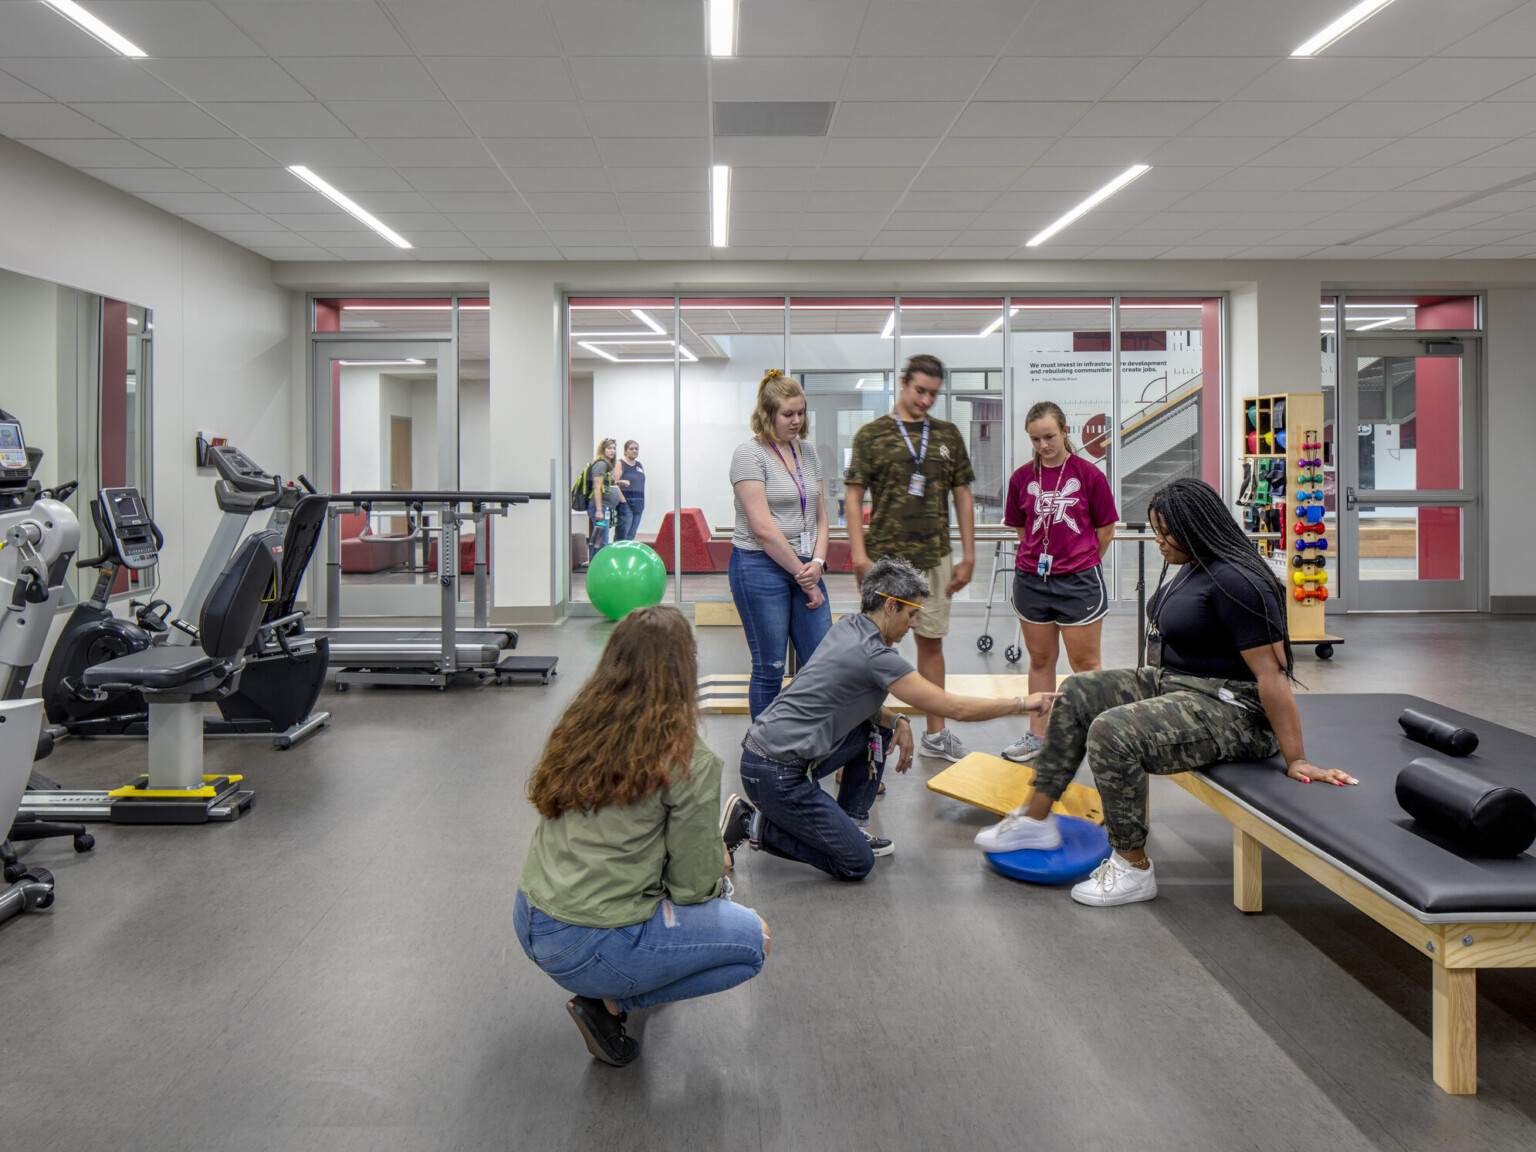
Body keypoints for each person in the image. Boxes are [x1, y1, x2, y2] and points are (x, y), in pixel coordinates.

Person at [973, 478, 1356, 907]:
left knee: (1111, 731)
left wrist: (1297, 758)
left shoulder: (1240, 581)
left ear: (1195, 527)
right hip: (1176, 684)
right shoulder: (1195, 565)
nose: (1158, 541)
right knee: (1077, 690)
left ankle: (1132, 867)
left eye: (1165, 532)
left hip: (1233, 709)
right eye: (1155, 531)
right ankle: (1035, 818)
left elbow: (1272, 675)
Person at [515, 606, 769, 1067]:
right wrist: (718, 872)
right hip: (588, 942)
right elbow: (692, 889)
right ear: (686, 669)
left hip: (531, 916)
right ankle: (610, 1003)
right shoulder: (688, 757)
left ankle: (620, 981)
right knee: (754, 942)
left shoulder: (579, 725)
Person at [721, 558, 1059, 882]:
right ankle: (752, 824)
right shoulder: (876, 657)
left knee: (877, 729)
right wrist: (1023, 703)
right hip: (775, 774)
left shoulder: (849, 626)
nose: (914, 624)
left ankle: (848, 823)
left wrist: (898, 718)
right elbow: (955, 708)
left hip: (765, 756)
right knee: (855, 863)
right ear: (890, 606)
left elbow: (855, 703)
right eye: (911, 614)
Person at [844, 354, 977, 763]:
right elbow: (852, 495)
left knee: (931, 643)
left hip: (933, 557)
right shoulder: (872, 435)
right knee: (872, 649)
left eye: (934, 394)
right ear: (903, 383)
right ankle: (862, 741)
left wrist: (968, 554)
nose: (926, 400)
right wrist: (858, 555)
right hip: (885, 562)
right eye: (919, 390)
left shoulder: (947, 435)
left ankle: (935, 736)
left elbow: (962, 496)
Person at [999, 401, 1118, 764]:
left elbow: (1105, 529)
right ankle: (1038, 736)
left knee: (1086, 663)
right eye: (1035, 439)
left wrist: (1080, 560)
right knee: (1040, 660)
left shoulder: (1088, 474)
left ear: (1065, 431)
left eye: (1049, 436)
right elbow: (1021, 528)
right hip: (1033, 579)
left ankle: (1102, 739)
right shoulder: (1022, 478)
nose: (1043, 445)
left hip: (1078, 579)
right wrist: (1038, 558)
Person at [728, 370, 831, 719]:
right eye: (788, 414)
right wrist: (805, 575)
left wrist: (817, 565)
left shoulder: (809, 451)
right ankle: (764, 751)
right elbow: (762, 529)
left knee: (821, 664)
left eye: (801, 413)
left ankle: (810, 744)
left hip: (805, 565)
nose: (797, 421)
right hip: (758, 566)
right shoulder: (749, 454)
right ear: (768, 414)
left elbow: (820, 517)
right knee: (770, 666)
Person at [585, 438, 620, 556]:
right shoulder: (601, 464)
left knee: (601, 540)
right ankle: (596, 569)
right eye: (609, 448)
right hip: (599, 508)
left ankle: (596, 567)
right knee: (601, 541)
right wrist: (599, 510)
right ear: (603, 450)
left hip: (604, 508)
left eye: (614, 448)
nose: (612, 451)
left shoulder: (607, 465)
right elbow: (597, 488)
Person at [614, 440, 646, 541]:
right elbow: (615, 483)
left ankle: (627, 555)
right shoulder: (620, 464)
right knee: (623, 534)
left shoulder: (639, 465)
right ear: (625, 451)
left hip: (639, 504)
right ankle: (617, 554)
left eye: (636, 449)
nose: (634, 451)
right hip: (626, 503)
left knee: (631, 535)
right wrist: (623, 500)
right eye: (631, 449)